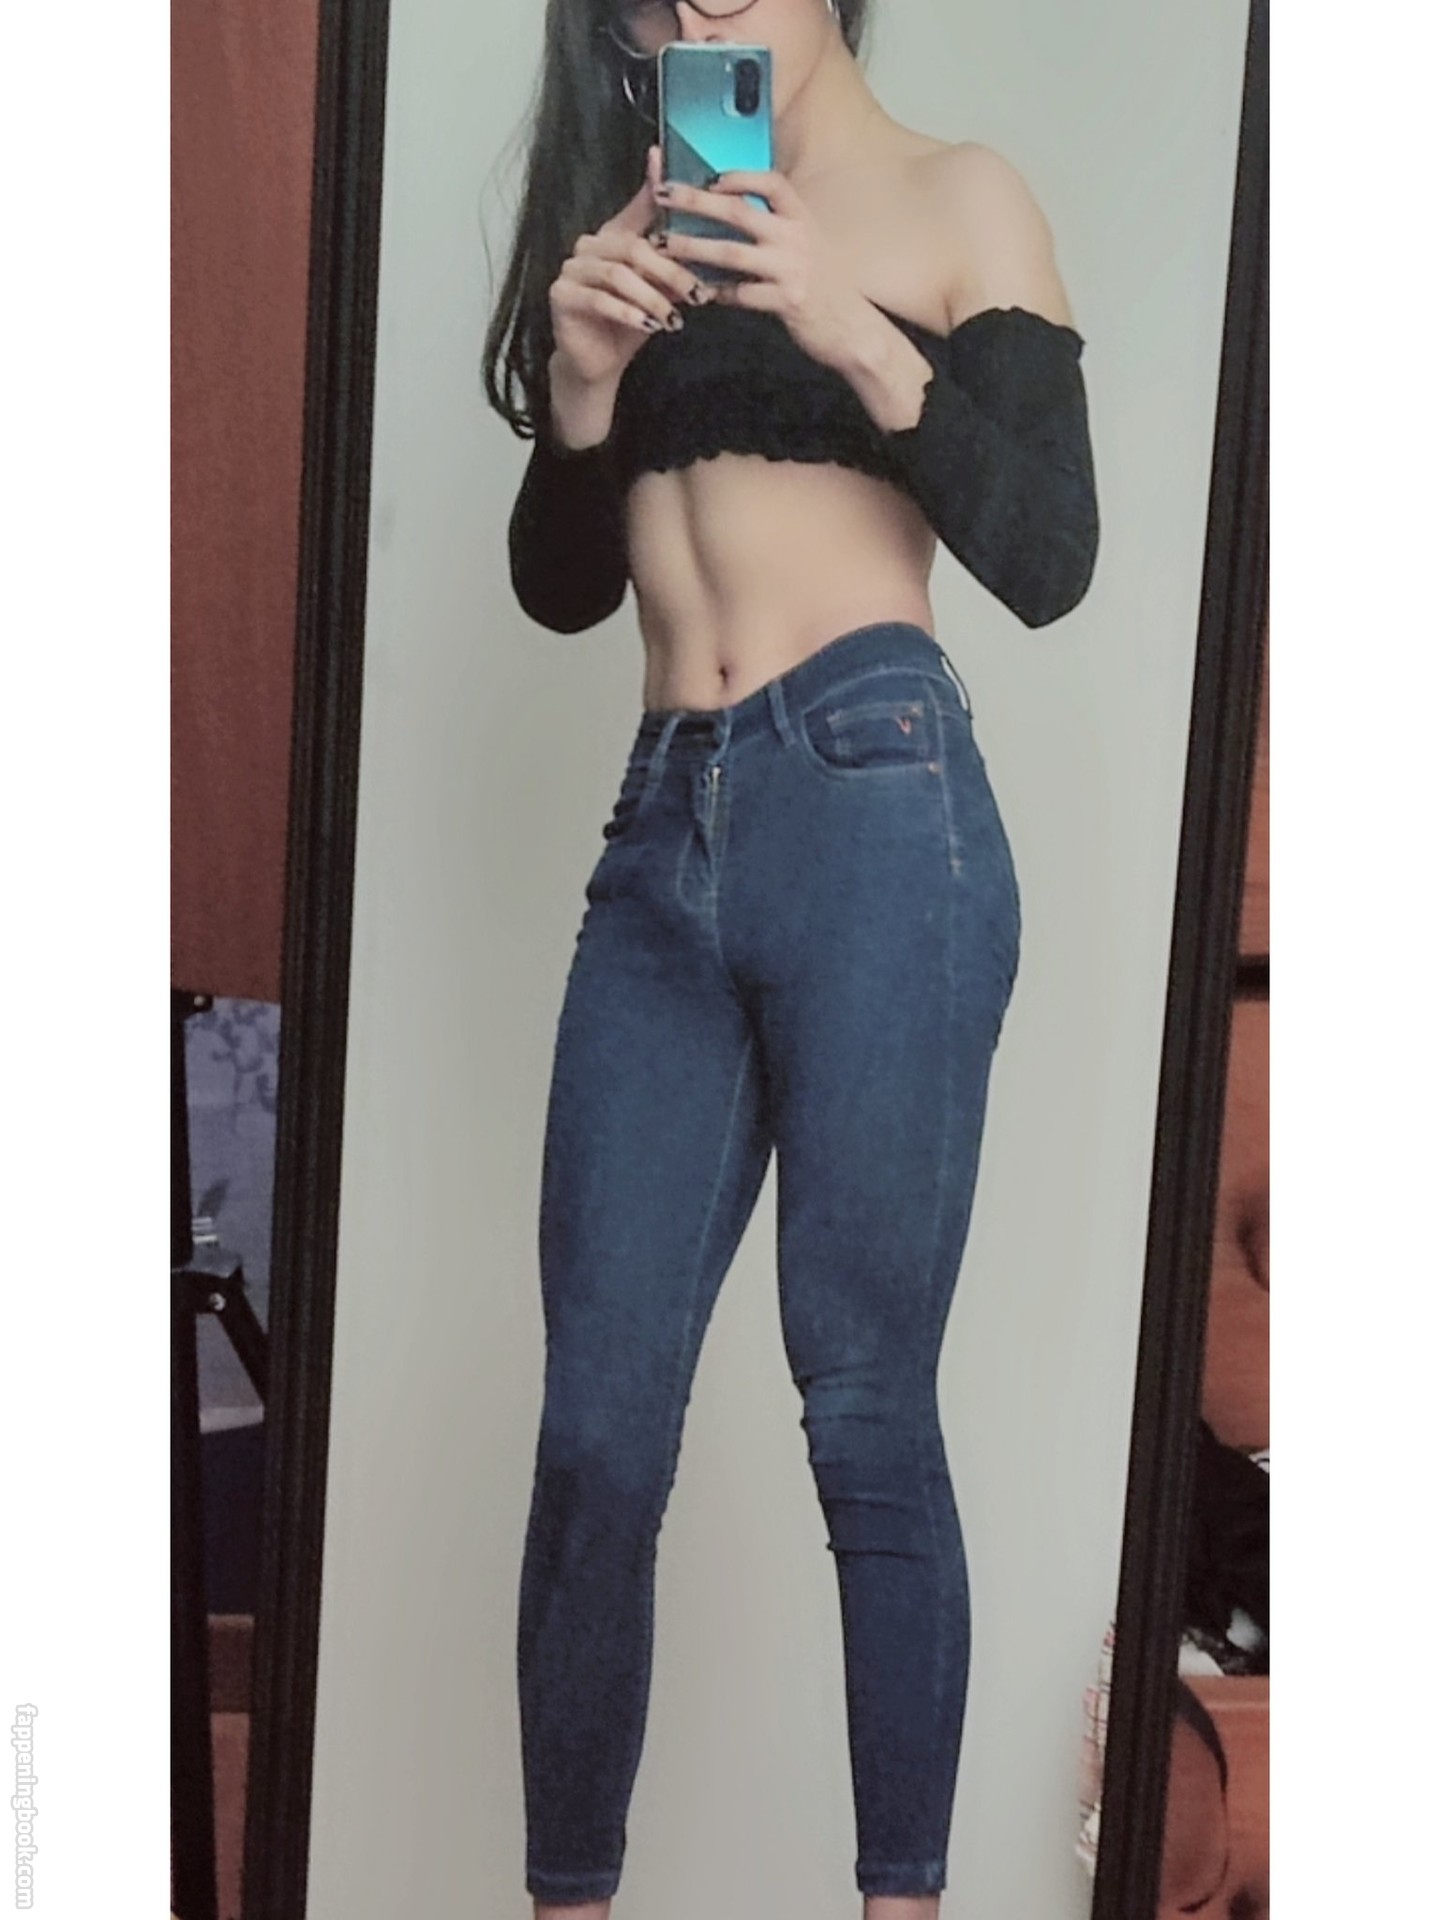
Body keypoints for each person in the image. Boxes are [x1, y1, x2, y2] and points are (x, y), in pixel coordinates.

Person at [483, 3, 1100, 1913]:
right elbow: (562, 588)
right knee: (596, 1437)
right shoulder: (633, 213)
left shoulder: (959, 198)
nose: (696, 5)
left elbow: (1053, 553)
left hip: (875, 802)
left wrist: (853, 324)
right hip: (662, 826)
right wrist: (584, 389)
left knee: (866, 1411)